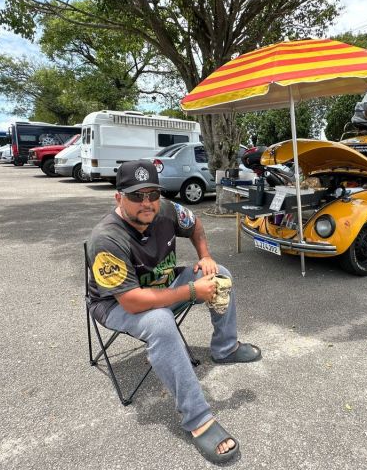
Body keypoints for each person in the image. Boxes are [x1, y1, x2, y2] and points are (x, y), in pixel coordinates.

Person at [86, 160, 261, 464]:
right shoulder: (106, 239)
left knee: (220, 274)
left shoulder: (166, 209)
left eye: (152, 194)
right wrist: (192, 291)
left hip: (163, 284)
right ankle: (198, 419)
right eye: (136, 196)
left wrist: (205, 257)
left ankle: (225, 347)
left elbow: (194, 225)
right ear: (118, 198)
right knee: (160, 323)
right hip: (115, 304)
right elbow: (131, 302)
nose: (147, 203)